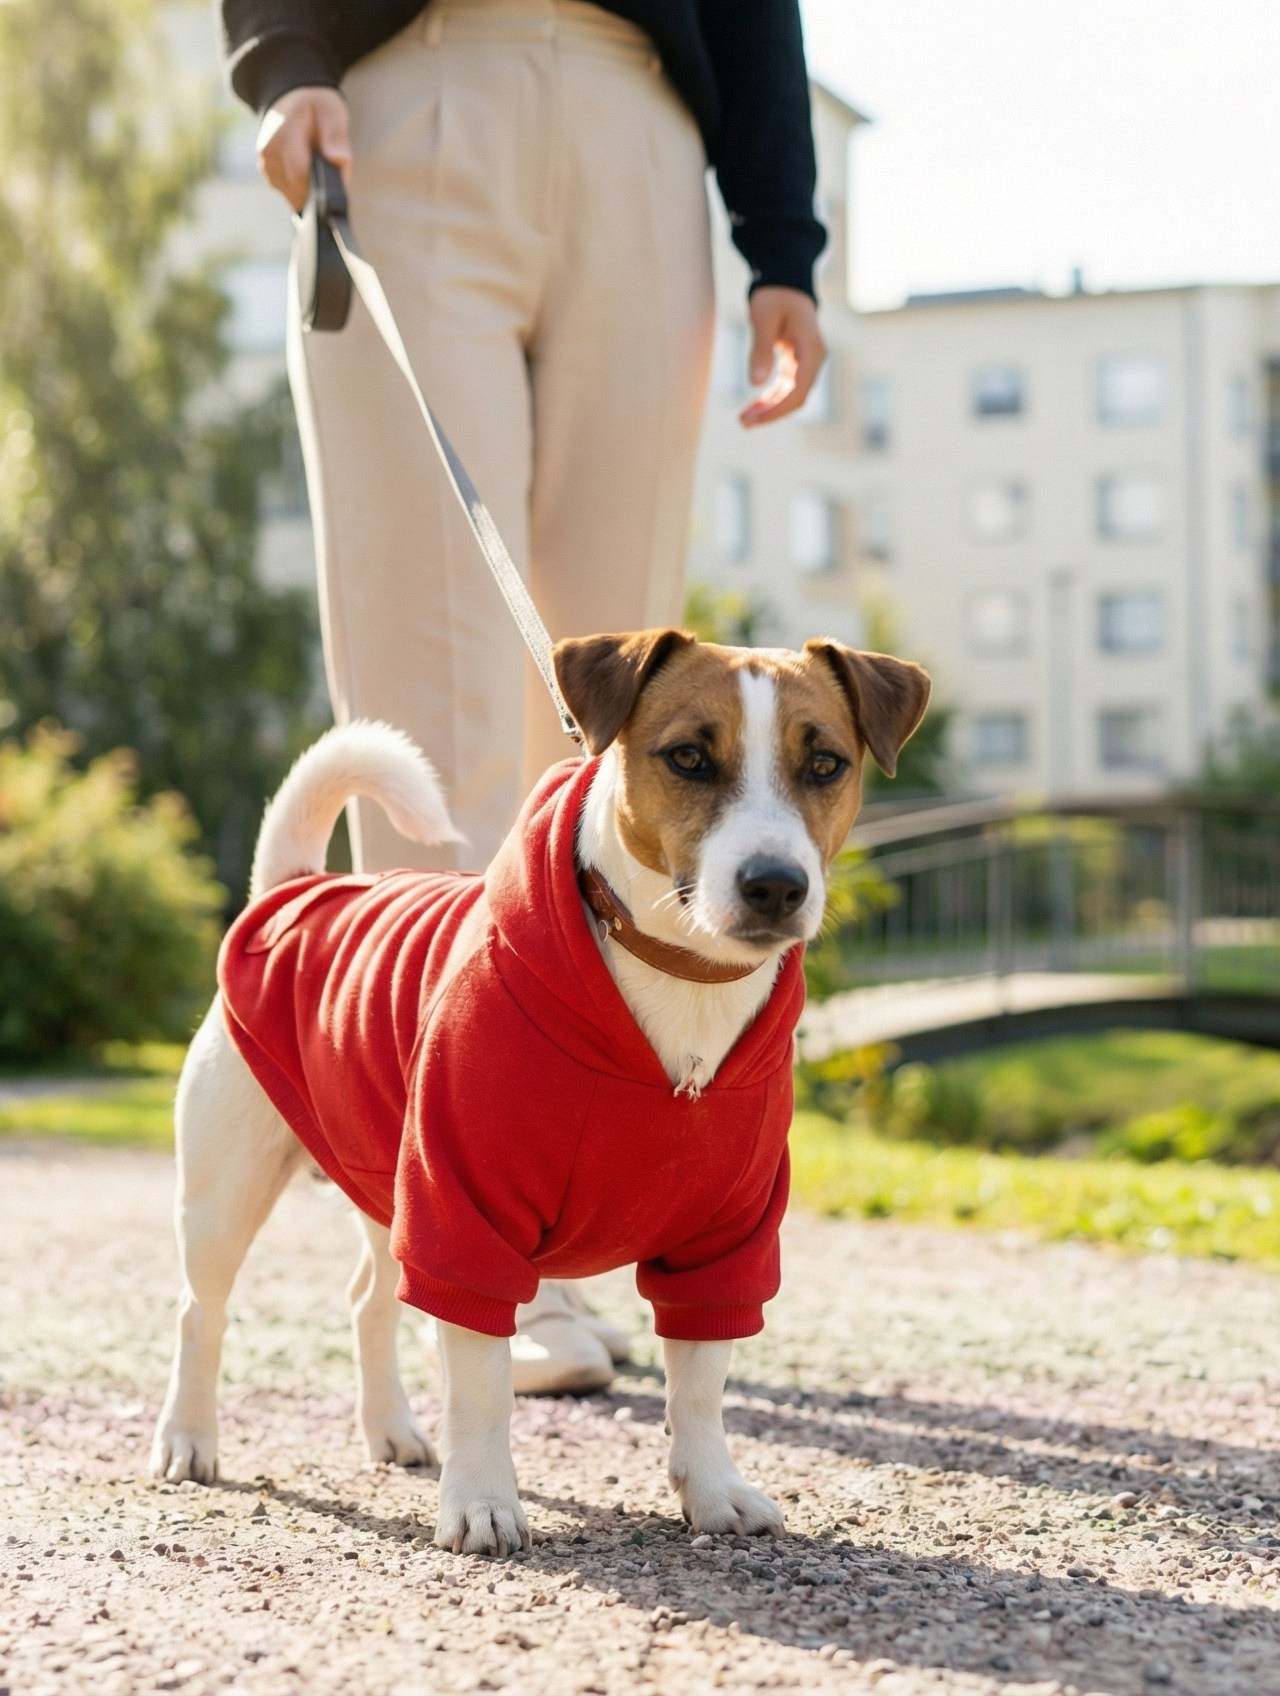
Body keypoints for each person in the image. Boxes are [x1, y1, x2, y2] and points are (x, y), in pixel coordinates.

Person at [220, 0, 828, 1392]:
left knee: (628, 728)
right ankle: (477, 1250)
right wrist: (285, 65)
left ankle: (587, 1220)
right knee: (435, 694)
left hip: (646, 133)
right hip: (409, 95)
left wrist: (781, 242)